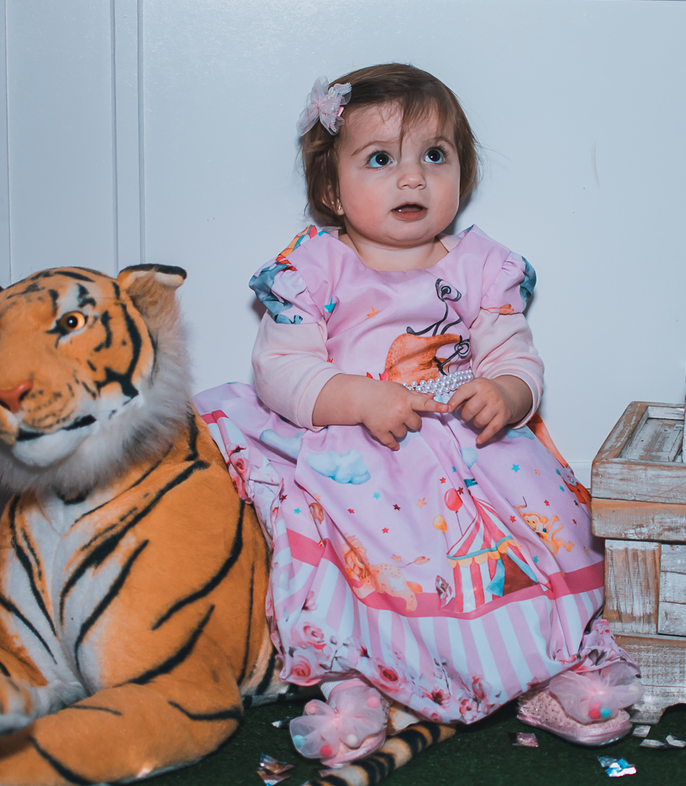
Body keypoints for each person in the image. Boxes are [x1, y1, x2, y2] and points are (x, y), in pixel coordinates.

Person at [194, 63, 641, 767]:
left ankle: (551, 667)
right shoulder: (316, 267)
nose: (412, 179)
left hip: (473, 451)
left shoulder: (477, 266)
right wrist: (360, 397)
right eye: (381, 160)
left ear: (461, 173)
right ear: (330, 190)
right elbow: (280, 371)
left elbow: (517, 354)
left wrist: (509, 394)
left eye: (435, 157)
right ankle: (362, 683)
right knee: (358, 560)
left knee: (538, 544)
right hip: (365, 452)